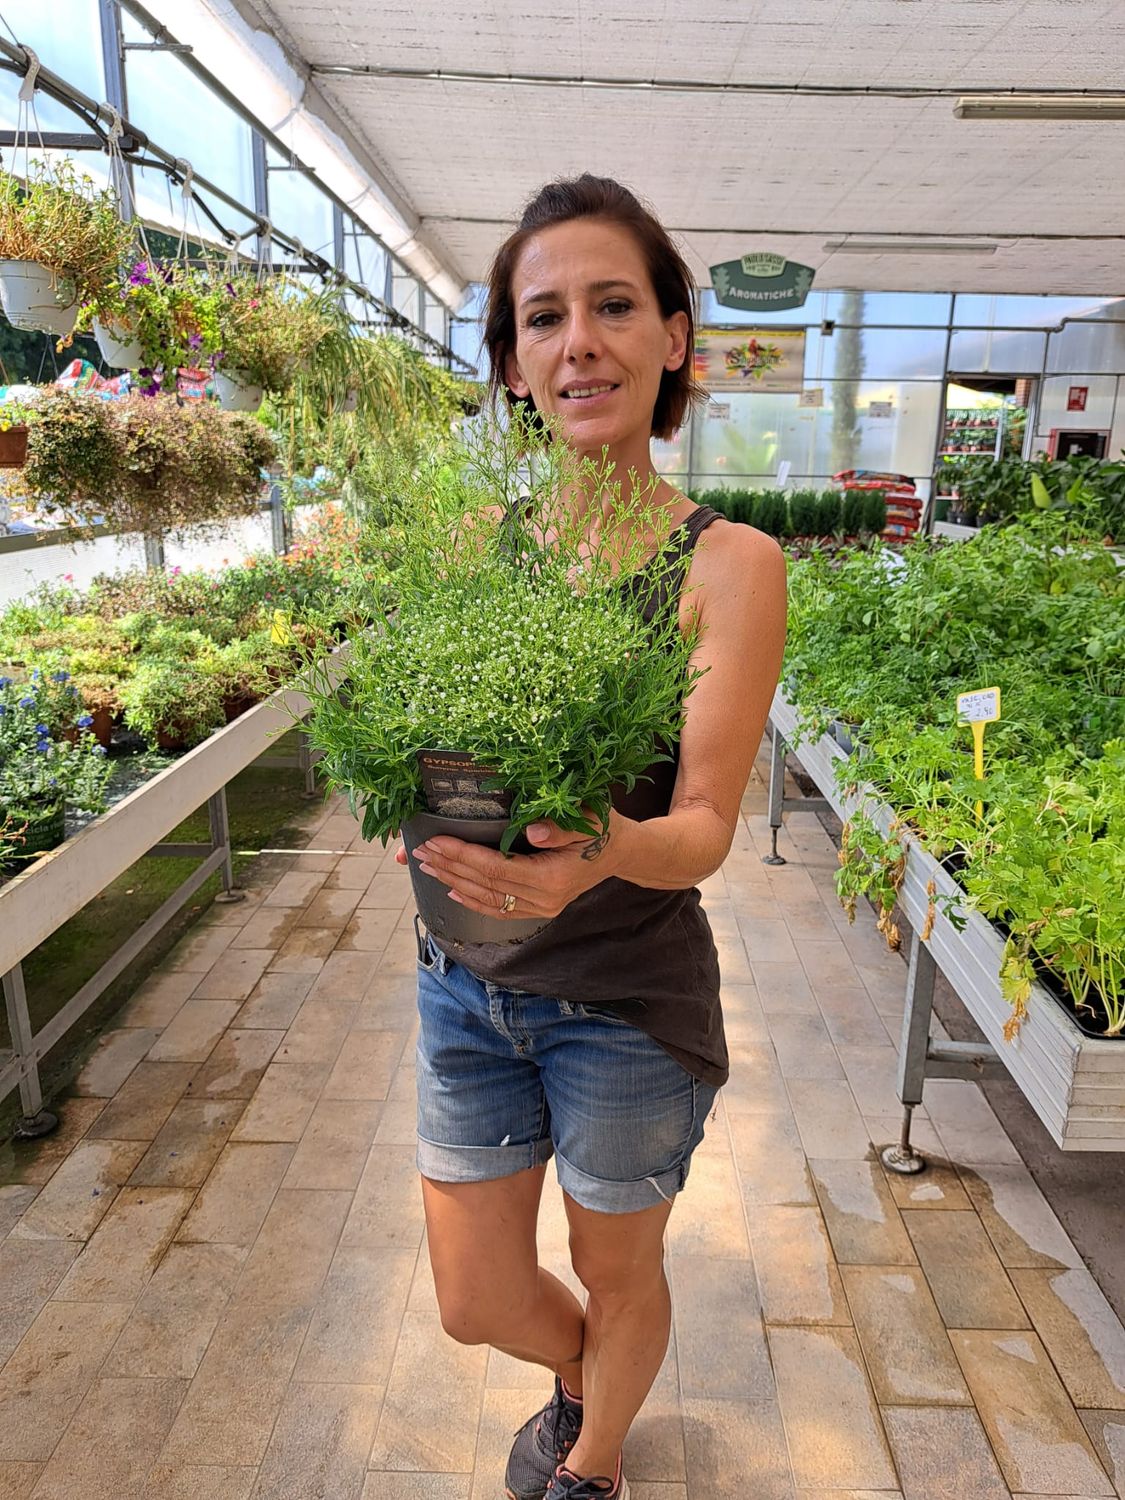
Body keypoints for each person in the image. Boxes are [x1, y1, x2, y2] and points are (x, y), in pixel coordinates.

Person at [395, 174, 787, 1500]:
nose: (580, 342)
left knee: (621, 1267)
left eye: (613, 305)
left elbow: (703, 829)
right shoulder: (466, 547)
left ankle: (593, 1466)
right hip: (465, 982)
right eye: (543, 316)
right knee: (470, 1297)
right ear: (510, 361)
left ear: (672, 335)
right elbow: (435, 749)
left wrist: (597, 849)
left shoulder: (723, 564)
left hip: (623, 1002)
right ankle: (582, 1376)